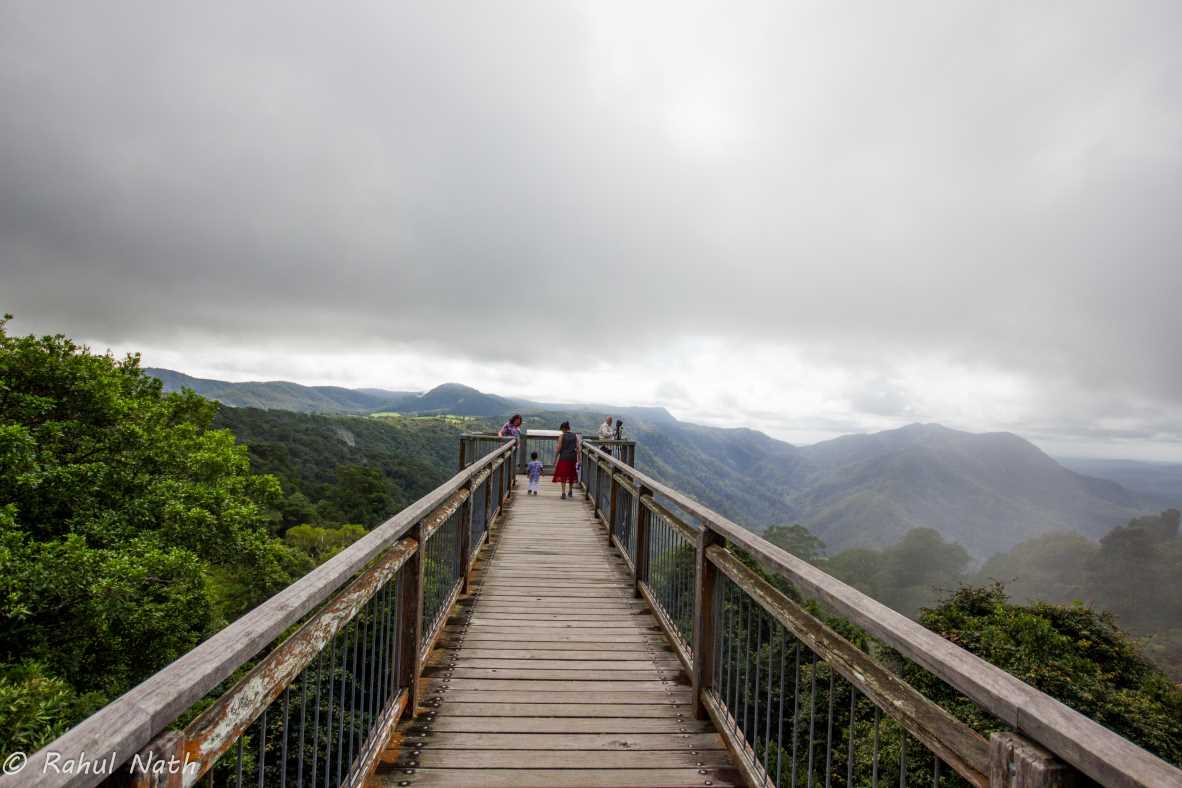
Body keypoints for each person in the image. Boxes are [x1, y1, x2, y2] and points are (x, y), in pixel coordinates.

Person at [552, 421, 580, 499]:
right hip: (573, 458)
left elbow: (559, 448)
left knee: (563, 475)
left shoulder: (562, 436)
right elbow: (578, 448)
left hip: (564, 457)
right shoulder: (575, 436)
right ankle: (570, 491)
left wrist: (555, 459)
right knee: (571, 474)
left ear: (564, 428)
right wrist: (579, 459)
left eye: (562, 429)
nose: (562, 431)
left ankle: (563, 493)